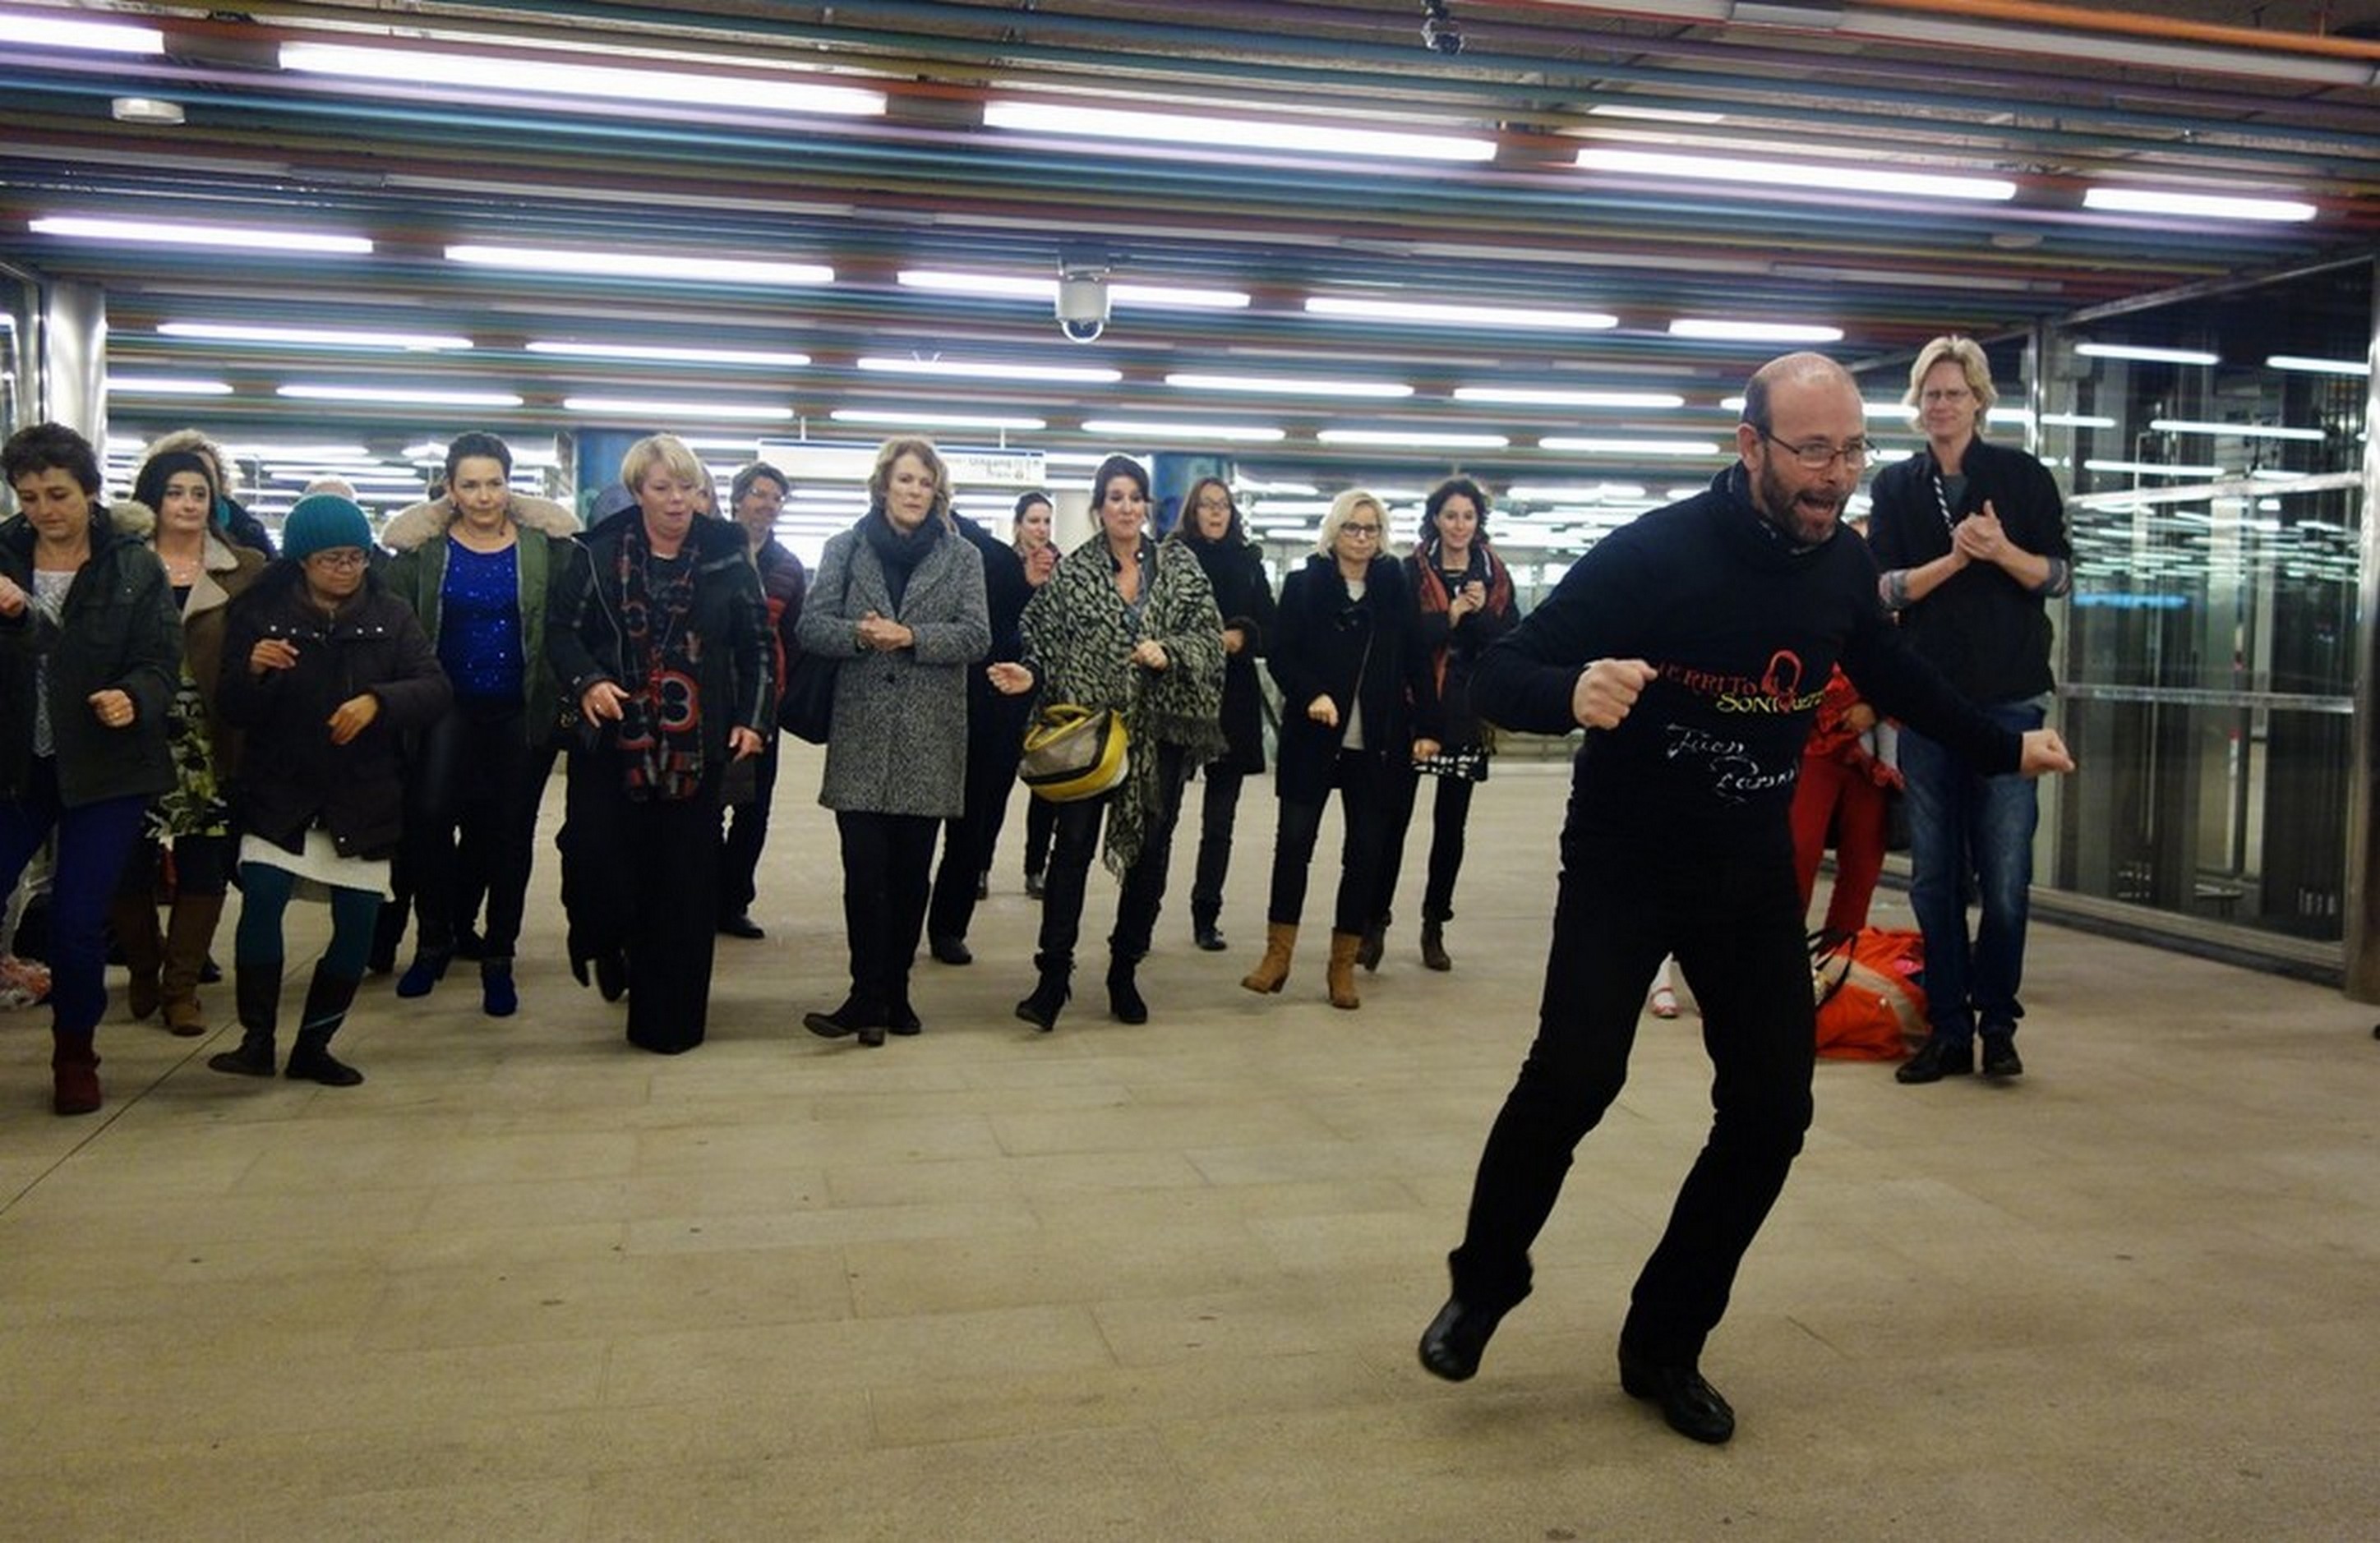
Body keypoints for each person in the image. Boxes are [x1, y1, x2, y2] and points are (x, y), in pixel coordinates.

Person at [1415, 353, 2074, 1445]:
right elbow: (1500, 670)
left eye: (1852, 450)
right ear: (1751, 445)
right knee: (1574, 1078)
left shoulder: (1842, 566)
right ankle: (1484, 1284)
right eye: (1813, 451)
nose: (1837, 474)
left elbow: (1899, 680)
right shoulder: (1655, 553)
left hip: (1747, 874)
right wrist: (1571, 692)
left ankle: (1664, 1340)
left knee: (1772, 1112)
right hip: (1626, 862)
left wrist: (2003, 748)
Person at [1868, 334, 2073, 1085]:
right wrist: (1955, 559)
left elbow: (2058, 577)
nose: (1941, 406)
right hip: (1928, 703)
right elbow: (1882, 589)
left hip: (2011, 701)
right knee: (1934, 878)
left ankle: (1999, 1024)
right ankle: (1948, 1029)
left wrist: (2000, 551)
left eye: (1954, 393)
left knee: (2006, 876)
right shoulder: (1897, 486)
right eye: (1930, 395)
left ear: (1979, 401)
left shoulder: (2021, 477)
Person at [208, 494, 450, 1086]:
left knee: (358, 921)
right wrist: (255, 671)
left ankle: (314, 1047)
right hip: (279, 787)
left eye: (356, 557)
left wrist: (378, 702)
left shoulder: (391, 615)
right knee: (262, 899)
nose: (346, 569)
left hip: (364, 792)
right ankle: (257, 1041)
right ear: (301, 560)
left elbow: (434, 688)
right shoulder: (260, 614)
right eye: (331, 559)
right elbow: (232, 707)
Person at [549, 435, 771, 1055]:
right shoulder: (596, 553)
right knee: (598, 861)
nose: (677, 500)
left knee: (682, 887)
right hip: (613, 740)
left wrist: (754, 720)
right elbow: (561, 632)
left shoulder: (728, 555)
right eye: (662, 488)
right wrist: (588, 680)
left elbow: (757, 644)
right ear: (638, 492)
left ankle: (668, 1022)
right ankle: (606, 939)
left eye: (688, 488)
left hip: (695, 746)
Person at [989, 455, 1225, 1031]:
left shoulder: (1179, 566)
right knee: (1070, 849)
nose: (1126, 507)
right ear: (1099, 508)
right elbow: (1042, 638)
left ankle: (1125, 969)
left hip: (1158, 735)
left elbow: (1208, 636)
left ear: (1147, 506)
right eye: (1115, 497)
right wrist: (1030, 673)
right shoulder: (1073, 576)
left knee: (1150, 854)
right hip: (1090, 733)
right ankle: (1053, 977)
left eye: (1135, 497)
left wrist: (1169, 651)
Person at [0, 424, 180, 1114]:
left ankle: (75, 1053)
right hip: (16, 766)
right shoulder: (4, 555)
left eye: (58, 494)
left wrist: (133, 696)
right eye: (29, 497)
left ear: (90, 491)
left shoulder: (134, 566)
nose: (44, 510)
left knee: (77, 922)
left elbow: (161, 663)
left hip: (107, 768)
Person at [796, 438, 989, 1044]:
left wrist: (912, 637)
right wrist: (860, 634)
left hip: (930, 737)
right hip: (861, 732)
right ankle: (865, 995)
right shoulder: (844, 548)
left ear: (937, 493)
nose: (914, 491)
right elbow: (810, 626)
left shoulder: (963, 557)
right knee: (864, 873)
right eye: (905, 480)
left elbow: (977, 636)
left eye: (925, 483)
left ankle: (895, 993)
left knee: (910, 876)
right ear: (883, 486)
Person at [381, 432, 579, 1017]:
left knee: (509, 833)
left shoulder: (546, 550)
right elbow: (394, 625)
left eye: (495, 483)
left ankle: (499, 955)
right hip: (446, 706)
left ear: (510, 486)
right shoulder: (424, 553)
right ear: (450, 489)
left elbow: (569, 622)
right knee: (428, 818)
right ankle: (433, 940)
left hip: (520, 707)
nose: (484, 496)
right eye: (470, 485)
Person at [1240, 490, 1440, 1011]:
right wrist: (1312, 694)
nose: (1361, 538)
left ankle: (1342, 967)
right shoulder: (1304, 585)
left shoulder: (1395, 588)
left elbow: (1418, 659)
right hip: (1312, 738)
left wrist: (1428, 726)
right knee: (1293, 845)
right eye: (1352, 527)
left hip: (1375, 745)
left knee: (1365, 853)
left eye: (1371, 529)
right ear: (1334, 531)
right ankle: (1277, 957)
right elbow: (1281, 654)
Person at [108, 448, 266, 1038]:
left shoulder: (244, 568)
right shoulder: (120, 563)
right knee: (125, 863)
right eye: (175, 492)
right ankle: (143, 966)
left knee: (205, 864)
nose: (188, 504)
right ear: (153, 498)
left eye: (199, 493)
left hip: (210, 737)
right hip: (131, 731)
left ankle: (181, 989)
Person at [1368, 475, 1517, 973]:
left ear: (1479, 522)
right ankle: (1374, 923)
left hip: (1465, 712)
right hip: (1413, 709)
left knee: (1451, 827)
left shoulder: (1494, 574)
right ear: (1435, 518)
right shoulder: (1409, 571)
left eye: (1468, 516)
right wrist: (1449, 615)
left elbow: (1510, 637)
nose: (1459, 525)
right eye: (1451, 515)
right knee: (1393, 820)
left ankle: (1434, 926)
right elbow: (1397, 636)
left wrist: (1478, 613)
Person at [924, 486, 1032, 965]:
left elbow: (1015, 638)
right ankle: (927, 928)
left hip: (983, 713)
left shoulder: (992, 558)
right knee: (919, 832)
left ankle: (949, 926)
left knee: (969, 831)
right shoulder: (885, 550)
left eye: (925, 486)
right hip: (923, 711)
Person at [1168, 477, 1276, 954]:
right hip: (1177, 694)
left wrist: (1243, 635)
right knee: (1161, 815)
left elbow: (1271, 626)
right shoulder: (1170, 559)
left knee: (1219, 823)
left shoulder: (1248, 562)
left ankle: (1206, 914)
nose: (1215, 513)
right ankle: (1141, 912)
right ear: (1193, 511)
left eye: (1223, 505)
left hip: (1232, 698)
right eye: (1207, 505)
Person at [717, 460, 806, 940]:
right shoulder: (710, 550)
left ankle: (732, 902)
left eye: (776, 497)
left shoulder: (788, 566)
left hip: (762, 704)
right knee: (706, 807)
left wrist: (784, 693)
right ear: (737, 500)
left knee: (754, 810)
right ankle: (700, 895)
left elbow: (793, 638)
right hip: (711, 699)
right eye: (759, 494)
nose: (767, 504)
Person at [1788, 664, 1901, 937]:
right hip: (1813, 737)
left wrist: (1876, 708)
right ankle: (1782, 949)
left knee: (1862, 864)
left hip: (1876, 753)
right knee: (1800, 851)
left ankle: (1840, 954)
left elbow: (1918, 659)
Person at [1009, 493, 1060, 900]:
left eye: (1046, 521)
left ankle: (1035, 868)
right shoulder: (1003, 566)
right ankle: (979, 865)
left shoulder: (1061, 569)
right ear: (1018, 525)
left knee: (1045, 787)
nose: (1041, 529)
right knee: (991, 786)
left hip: (1046, 692)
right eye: (1033, 521)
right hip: (1004, 686)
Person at [135, 429, 276, 555]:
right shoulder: (131, 545)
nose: (189, 504)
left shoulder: (248, 533)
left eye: (205, 472)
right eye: (175, 493)